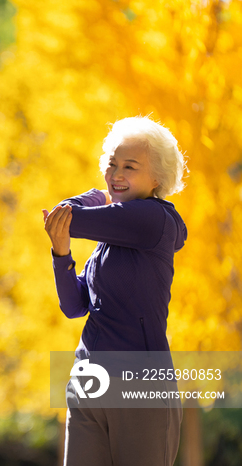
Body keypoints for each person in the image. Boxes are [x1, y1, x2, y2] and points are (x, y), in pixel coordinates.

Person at [42, 116, 187, 465]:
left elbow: (66, 215)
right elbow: (74, 305)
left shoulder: (154, 219)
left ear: (157, 179)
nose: (116, 174)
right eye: (112, 164)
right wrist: (61, 255)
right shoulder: (107, 242)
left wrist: (94, 199)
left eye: (130, 166)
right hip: (89, 380)